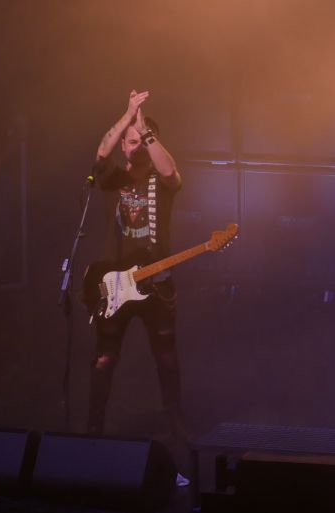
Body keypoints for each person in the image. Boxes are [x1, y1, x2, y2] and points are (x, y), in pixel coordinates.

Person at [87, 89, 186, 438]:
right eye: (130, 142)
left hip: (155, 282)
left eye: (141, 141)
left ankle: (175, 422)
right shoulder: (115, 178)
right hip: (115, 285)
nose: (135, 147)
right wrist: (128, 115)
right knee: (104, 358)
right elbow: (101, 153)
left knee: (166, 356)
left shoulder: (161, 179)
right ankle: (94, 426)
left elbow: (170, 170)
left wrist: (145, 131)